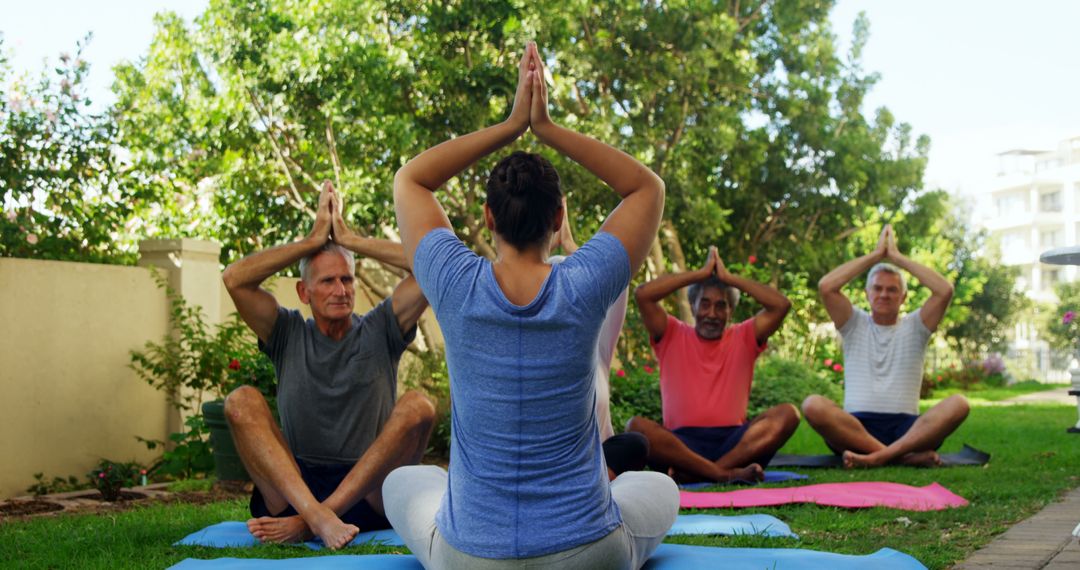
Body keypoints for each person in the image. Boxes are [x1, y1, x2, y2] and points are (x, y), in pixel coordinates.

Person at [385, 42, 677, 569]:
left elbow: (411, 179)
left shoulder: (453, 280)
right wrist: (545, 128)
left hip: (470, 557)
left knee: (406, 482)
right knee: (657, 488)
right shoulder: (585, 282)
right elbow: (646, 189)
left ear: (489, 219)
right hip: (588, 555)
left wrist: (510, 123)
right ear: (558, 214)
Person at [221, 182, 436, 549]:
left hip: (368, 494)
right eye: (327, 281)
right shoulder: (287, 332)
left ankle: (313, 521)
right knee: (240, 400)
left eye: (347, 278)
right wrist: (311, 240)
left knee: (420, 406)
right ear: (304, 293)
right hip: (293, 490)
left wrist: (350, 240)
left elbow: (432, 263)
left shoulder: (381, 327)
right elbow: (234, 279)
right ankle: (316, 515)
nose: (341, 289)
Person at [802, 224, 968, 468]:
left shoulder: (916, 326)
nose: (884, 294)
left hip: (909, 431)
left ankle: (879, 457)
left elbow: (944, 290)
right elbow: (827, 286)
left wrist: (897, 258)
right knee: (812, 405)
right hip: (856, 430)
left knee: (959, 404)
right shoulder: (853, 323)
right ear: (868, 293)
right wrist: (876, 255)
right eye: (877, 288)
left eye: (892, 290)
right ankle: (902, 458)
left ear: (903, 297)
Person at [627, 246, 797, 483]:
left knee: (788, 414)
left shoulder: (744, 335)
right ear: (693, 306)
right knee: (636, 427)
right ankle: (722, 474)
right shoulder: (671, 333)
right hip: (681, 446)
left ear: (730, 311)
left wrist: (729, 279)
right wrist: (700, 274)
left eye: (721, 305)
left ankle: (703, 473)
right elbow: (643, 295)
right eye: (704, 304)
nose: (712, 313)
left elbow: (781, 305)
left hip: (735, 446)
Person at [549, 199, 649, 479]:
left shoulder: (598, 350)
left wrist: (569, 245)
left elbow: (616, 284)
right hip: (550, 463)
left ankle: (592, 491)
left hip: (595, 464)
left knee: (634, 444)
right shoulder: (535, 346)